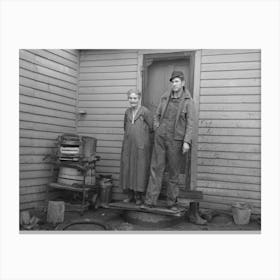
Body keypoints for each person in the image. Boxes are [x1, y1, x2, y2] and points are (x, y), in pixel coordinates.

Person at [143, 70, 194, 211]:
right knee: (156, 169)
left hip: (176, 140)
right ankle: (150, 201)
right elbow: (156, 115)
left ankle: (171, 202)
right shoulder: (165, 97)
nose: (174, 84)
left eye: (177, 81)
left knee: (173, 172)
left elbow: (190, 123)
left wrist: (187, 141)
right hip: (161, 137)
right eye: (172, 81)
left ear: (183, 83)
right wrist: (157, 127)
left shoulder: (188, 101)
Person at [120, 89, 153, 205]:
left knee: (140, 170)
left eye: (135, 98)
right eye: (130, 98)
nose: (132, 100)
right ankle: (129, 195)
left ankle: (139, 196)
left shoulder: (145, 112)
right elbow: (125, 127)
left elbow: (152, 128)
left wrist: (143, 140)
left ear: (139, 99)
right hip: (129, 146)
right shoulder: (127, 112)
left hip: (141, 147)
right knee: (128, 168)